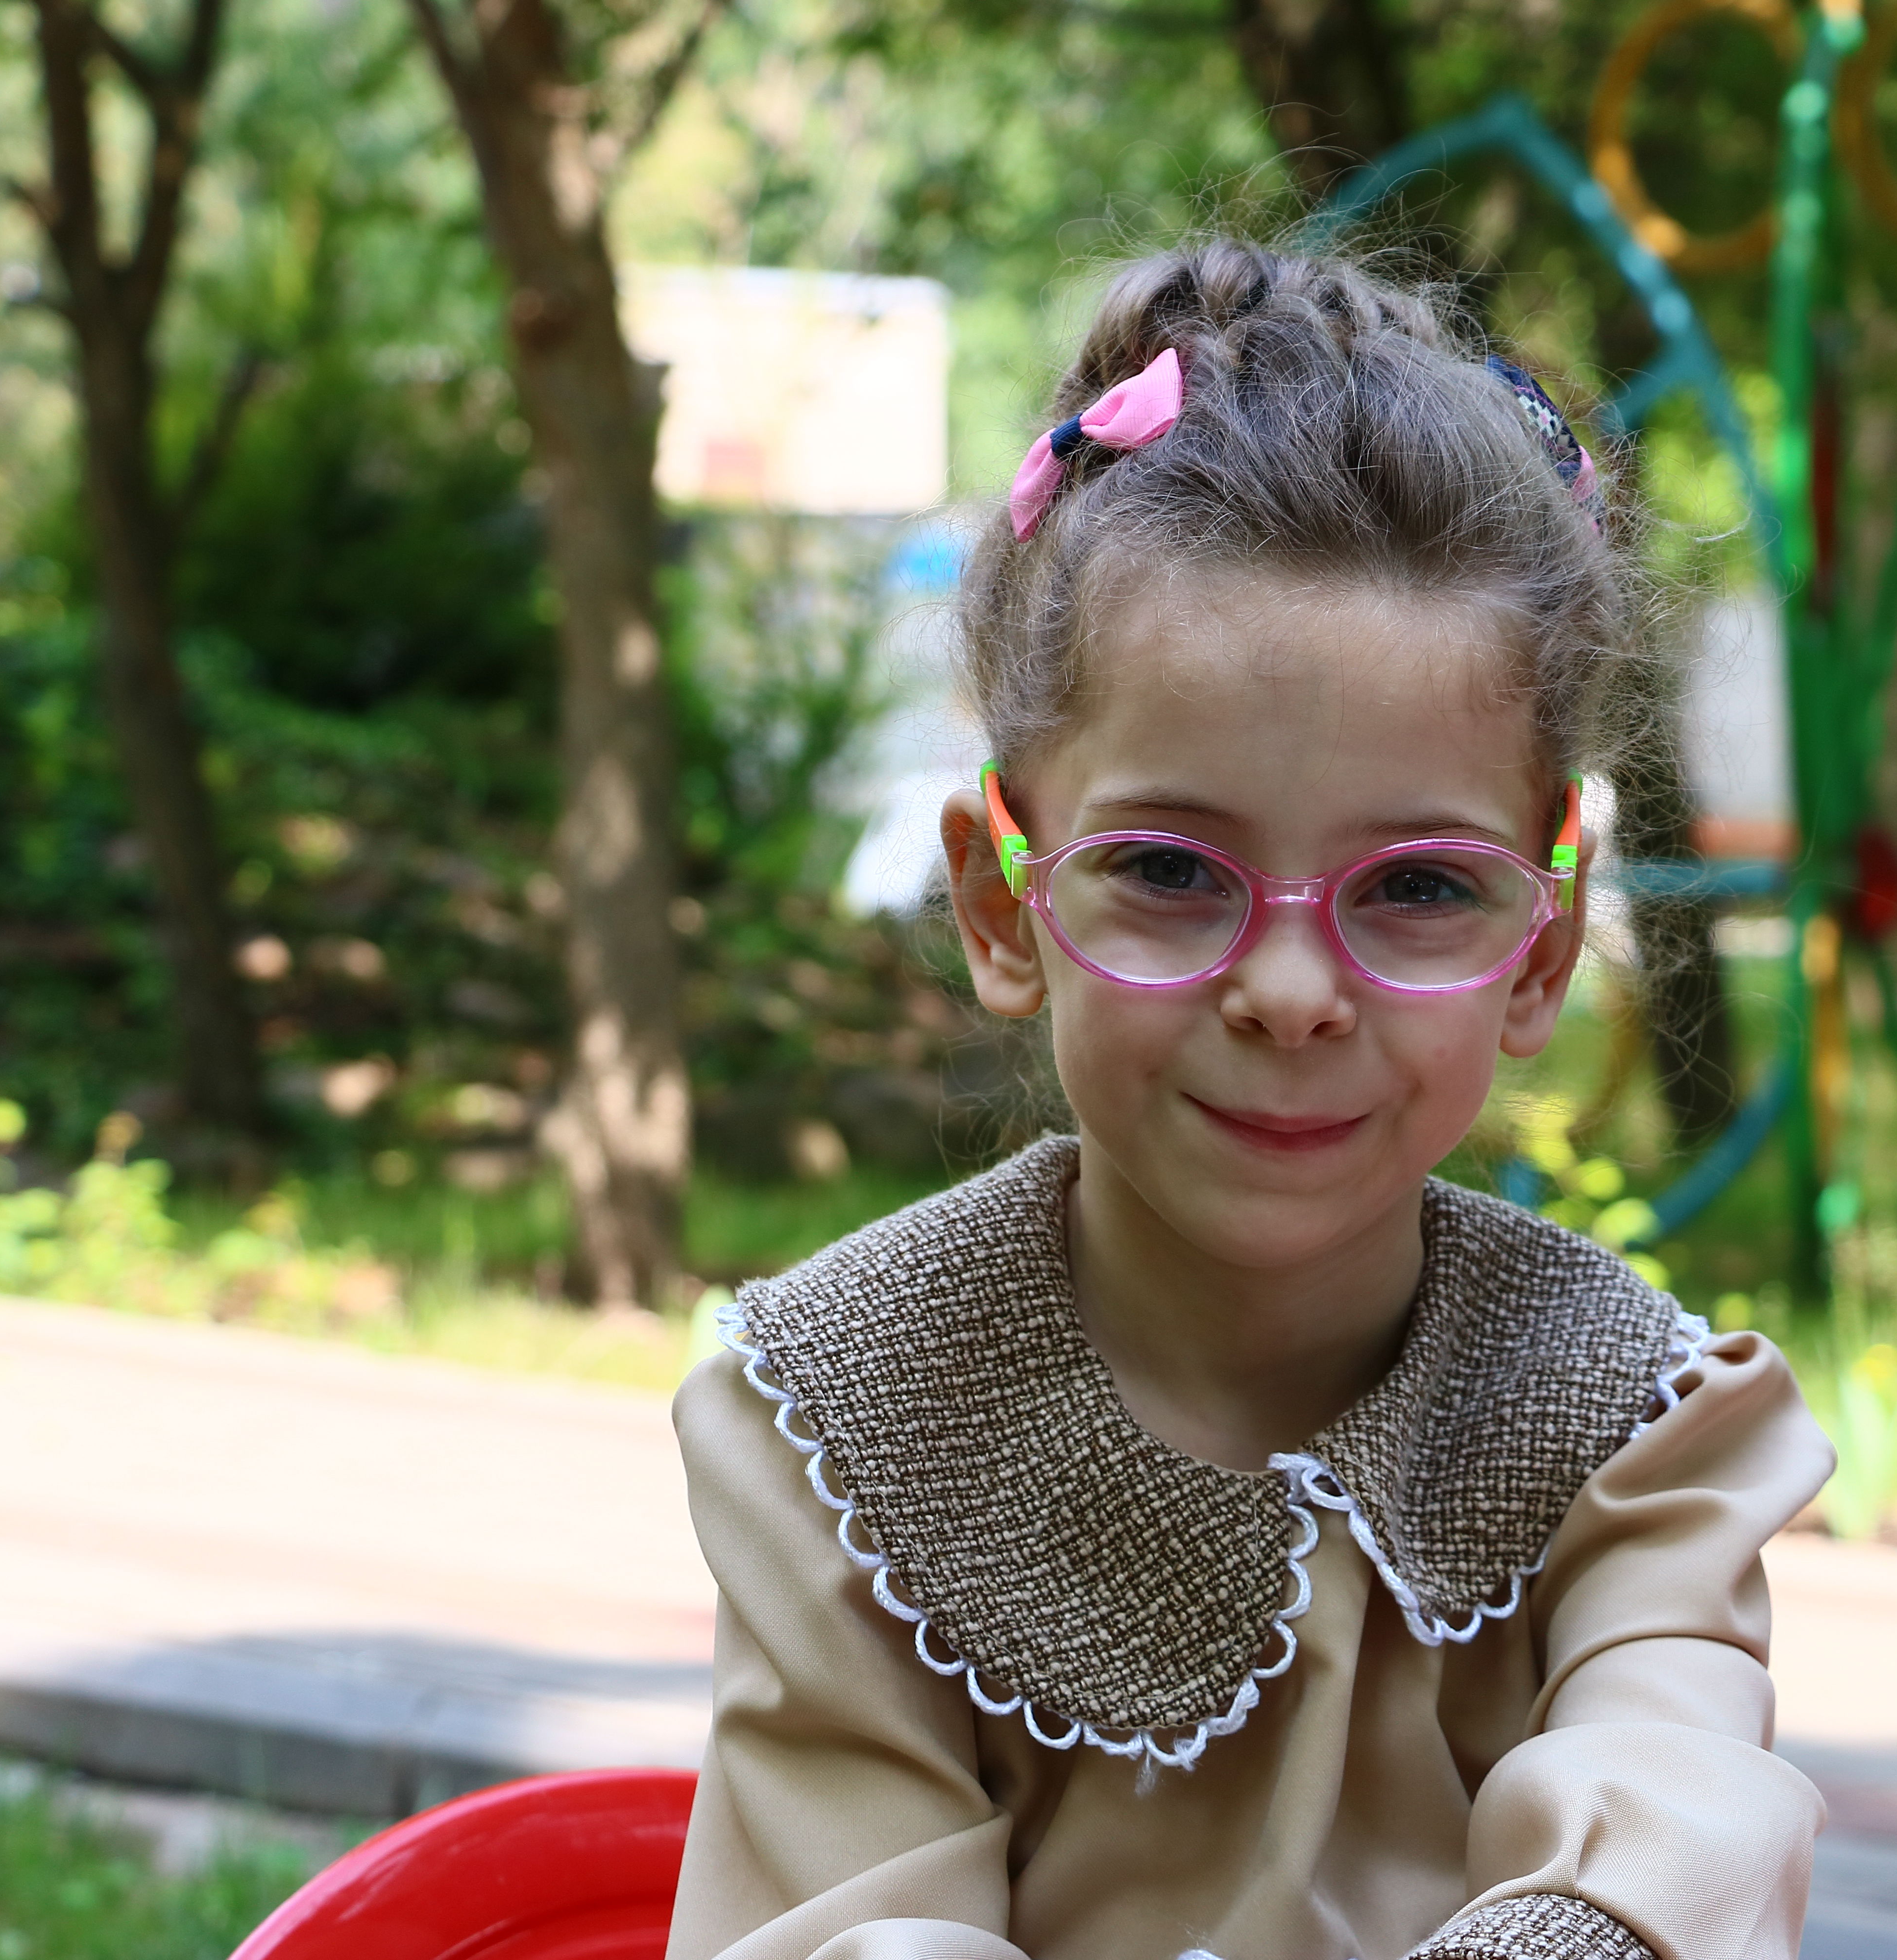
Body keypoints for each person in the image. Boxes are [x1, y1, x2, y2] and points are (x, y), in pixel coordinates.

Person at [666, 240, 1833, 1960]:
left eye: (1418, 887)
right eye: (1169, 869)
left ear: (1540, 944)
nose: (1291, 992)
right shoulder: (847, 1415)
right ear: (1001, 904)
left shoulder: (1627, 1428)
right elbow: (857, 1931)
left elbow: (1680, 1824)